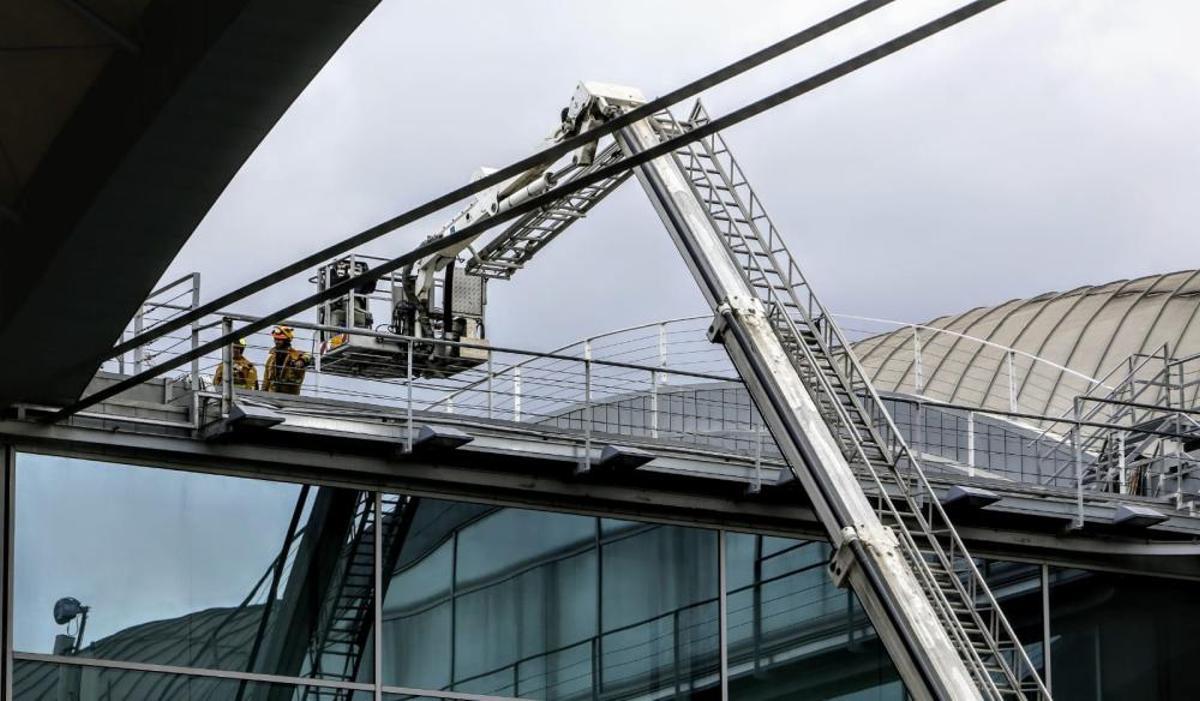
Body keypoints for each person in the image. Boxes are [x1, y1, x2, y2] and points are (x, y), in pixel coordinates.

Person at [263, 325, 312, 395]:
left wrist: (301, 361)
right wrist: (262, 395)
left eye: (280, 340)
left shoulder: (296, 356)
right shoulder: (271, 360)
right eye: (275, 339)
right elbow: (266, 381)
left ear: (286, 341)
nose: (277, 342)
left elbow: (309, 356)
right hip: (272, 397)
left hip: (290, 398)